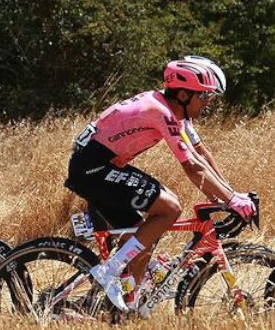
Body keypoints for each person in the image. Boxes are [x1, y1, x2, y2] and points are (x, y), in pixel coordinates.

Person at [65, 57, 250, 313]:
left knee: (141, 239)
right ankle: (108, 273)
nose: (208, 103)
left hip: (100, 167)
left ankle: (126, 310)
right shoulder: (159, 111)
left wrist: (228, 193)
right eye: (205, 96)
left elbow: (199, 155)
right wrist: (231, 199)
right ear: (184, 94)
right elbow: (191, 167)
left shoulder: (176, 113)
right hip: (92, 169)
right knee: (170, 207)